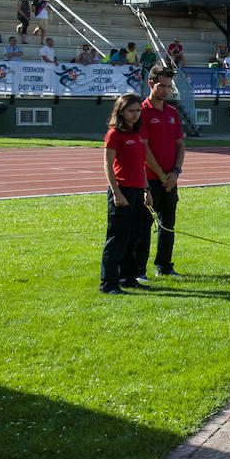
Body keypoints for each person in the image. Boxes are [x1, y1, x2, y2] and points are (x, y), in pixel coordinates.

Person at [101, 93, 167, 294]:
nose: (136, 114)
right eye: (131, 111)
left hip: (139, 191)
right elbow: (108, 165)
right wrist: (117, 192)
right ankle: (108, 283)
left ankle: (128, 278)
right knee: (117, 239)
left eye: (138, 110)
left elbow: (140, 166)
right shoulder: (114, 134)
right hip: (122, 191)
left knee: (134, 237)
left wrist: (146, 190)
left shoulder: (137, 135)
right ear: (121, 112)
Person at [133, 65, 186, 278]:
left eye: (168, 86)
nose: (165, 90)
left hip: (171, 178)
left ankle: (164, 266)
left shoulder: (172, 112)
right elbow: (143, 148)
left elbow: (180, 145)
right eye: (161, 86)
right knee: (144, 226)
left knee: (168, 225)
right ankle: (138, 270)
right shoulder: (141, 111)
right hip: (150, 179)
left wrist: (175, 172)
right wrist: (162, 176)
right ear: (150, 84)